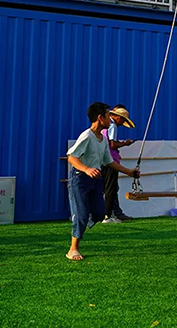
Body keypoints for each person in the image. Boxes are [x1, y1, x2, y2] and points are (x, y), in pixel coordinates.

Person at [66, 102, 140, 261]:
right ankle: (73, 249)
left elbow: (109, 162)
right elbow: (71, 157)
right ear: (100, 118)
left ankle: (81, 218)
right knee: (81, 215)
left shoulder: (103, 139)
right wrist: (86, 169)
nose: (110, 119)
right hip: (80, 179)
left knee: (100, 214)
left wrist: (129, 172)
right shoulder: (87, 136)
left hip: (95, 180)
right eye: (108, 115)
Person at [101, 105, 135, 224]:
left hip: (102, 159)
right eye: (123, 120)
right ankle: (108, 215)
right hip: (110, 161)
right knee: (111, 188)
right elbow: (112, 144)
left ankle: (111, 212)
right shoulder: (112, 126)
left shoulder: (104, 126)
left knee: (106, 188)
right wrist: (125, 143)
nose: (122, 123)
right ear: (119, 118)